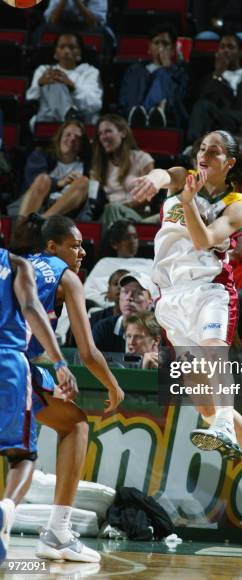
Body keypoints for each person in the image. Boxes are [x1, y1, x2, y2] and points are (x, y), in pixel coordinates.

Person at [130, 129, 242, 512]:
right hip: (170, 299)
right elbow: (161, 176)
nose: (204, 154)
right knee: (205, 406)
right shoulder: (181, 177)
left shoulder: (237, 205)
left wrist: (187, 203)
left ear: (229, 162)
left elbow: (203, 241)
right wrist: (149, 181)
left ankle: (224, 426)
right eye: (201, 148)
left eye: (214, 151)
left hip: (210, 291)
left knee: (212, 357)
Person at [10, 214, 124, 562]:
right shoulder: (66, 277)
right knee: (75, 425)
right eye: (74, 245)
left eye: (82, 245)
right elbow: (88, 353)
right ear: (52, 247)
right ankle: (58, 532)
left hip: (18, 364)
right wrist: (114, 385)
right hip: (10, 363)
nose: (82, 252)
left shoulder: (16, 265)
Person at [0, 247, 77, 565]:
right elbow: (32, 307)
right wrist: (59, 362)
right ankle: (5, 509)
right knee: (22, 456)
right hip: (8, 364)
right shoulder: (16, 264)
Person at [90, 114, 156, 231]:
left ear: (123, 133)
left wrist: (123, 206)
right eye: (100, 134)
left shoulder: (142, 159)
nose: (103, 137)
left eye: (108, 131)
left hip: (138, 216)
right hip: (110, 216)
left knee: (113, 209)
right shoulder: (99, 166)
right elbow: (93, 200)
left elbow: (149, 196)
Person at [26, 33, 103, 131]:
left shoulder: (90, 72)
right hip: (46, 120)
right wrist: (39, 85)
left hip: (81, 121)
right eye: (62, 47)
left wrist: (72, 88)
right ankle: (65, 120)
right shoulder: (43, 70)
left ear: (79, 53)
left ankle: (67, 121)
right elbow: (30, 98)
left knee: (57, 85)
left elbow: (95, 104)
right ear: (55, 53)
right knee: (55, 85)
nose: (66, 51)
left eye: (72, 47)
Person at [15, 121, 91, 219]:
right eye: (68, 135)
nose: (72, 139)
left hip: (66, 212)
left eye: (78, 137)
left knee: (83, 181)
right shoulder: (40, 155)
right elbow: (33, 182)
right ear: (59, 138)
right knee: (43, 179)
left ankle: (43, 220)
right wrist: (59, 183)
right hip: (35, 205)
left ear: (82, 144)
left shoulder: (87, 166)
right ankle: (23, 225)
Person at [119, 23, 188, 130]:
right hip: (133, 111)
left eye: (165, 44)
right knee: (137, 74)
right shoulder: (135, 70)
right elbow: (125, 97)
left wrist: (167, 70)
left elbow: (179, 98)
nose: (160, 48)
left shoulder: (180, 72)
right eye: (156, 43)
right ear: (149, 47)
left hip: (167, 114)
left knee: (162, 74)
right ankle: (138, 115)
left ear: (173, 49)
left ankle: (153, 116)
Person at [40, 0, 115, 52]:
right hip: (63, 25)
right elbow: (53, 20)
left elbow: (94, 23)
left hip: (87, 27)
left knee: (104, 33)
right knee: (43, 29)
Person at [92, 271, 156, 353]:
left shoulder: (162, 331)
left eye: (138, 293)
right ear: (119, 297)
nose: (129, 297)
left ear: (150, 302)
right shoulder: (102, 328)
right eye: (125, 291)